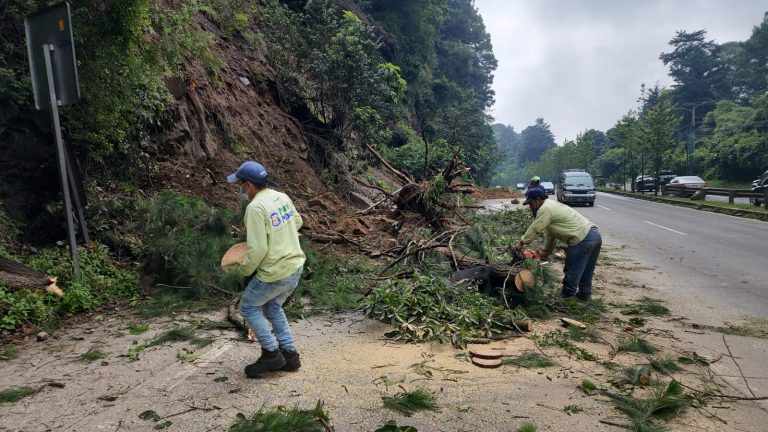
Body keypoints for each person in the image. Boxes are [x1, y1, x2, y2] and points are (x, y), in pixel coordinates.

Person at [226, 161, 306, 378]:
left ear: (249, 185)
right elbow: (297, 222)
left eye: (241, 185)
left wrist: (243, 270)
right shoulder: (282, 197)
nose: (241, 190)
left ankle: (271, 353)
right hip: (295, 266)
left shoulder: (255, 208)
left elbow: (258, 249)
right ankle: (290, 355)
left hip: (275, 273)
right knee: (273, 306)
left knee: (248, 307)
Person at [514, 188, 601, 301]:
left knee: (572, 269)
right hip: (594, 235)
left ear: (538, 200)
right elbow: (551, 234)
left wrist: (521, 242)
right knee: (586, 270)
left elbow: (536, 228)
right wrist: (545, 252)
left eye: (531, 204)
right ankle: (585, 295)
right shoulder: (552, 206)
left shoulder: (545, 208)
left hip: (582, 239)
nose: (530, 207)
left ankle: (568, 298)